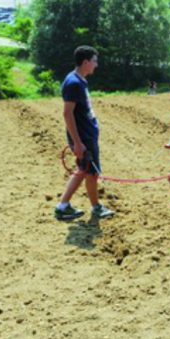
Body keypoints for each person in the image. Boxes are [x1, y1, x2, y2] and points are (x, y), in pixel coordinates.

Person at [55, 46, 114, 221]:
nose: (96, 65)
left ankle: (63, 206)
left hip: (87, 135)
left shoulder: (80, 81)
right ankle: (94, 207)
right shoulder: (73, 83)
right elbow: (67, 113)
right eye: (94, 61)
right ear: (86, 62)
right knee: (91, 173)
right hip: (84, 138)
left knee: (84, 170)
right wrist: (78, 142)